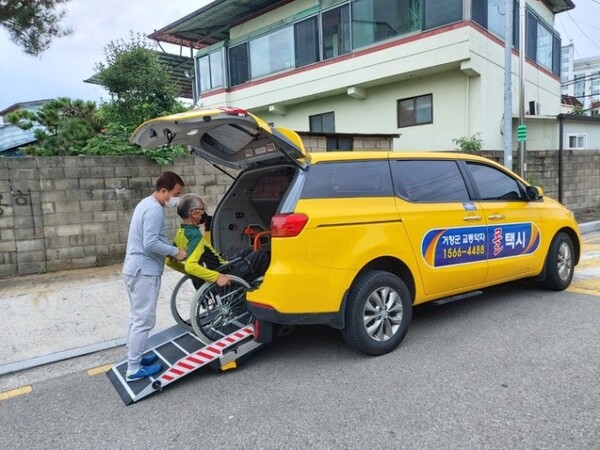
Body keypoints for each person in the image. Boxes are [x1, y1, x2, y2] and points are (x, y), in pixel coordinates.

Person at [122, 171, 186, 382]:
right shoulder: (154, 210)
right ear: (163, 190)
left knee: (135, 317)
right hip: (144, 271)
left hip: (134, 269)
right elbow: (150, 243)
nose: (176, 199)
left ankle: (134, 356)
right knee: (144, 320)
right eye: (175, 194)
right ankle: (133, 369)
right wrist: (175, 251)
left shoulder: (145, 204)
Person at [166, 193, 269, 288]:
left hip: (220, 264)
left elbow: (169, 261)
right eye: (203, 209)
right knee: (262, 255)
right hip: (224, 271)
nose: (204, 212)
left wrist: (196, 275)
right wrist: (216, 277)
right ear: (194, 213)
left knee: (248, 251)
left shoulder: (181, 232)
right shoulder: (195, 236)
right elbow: (190, 267)